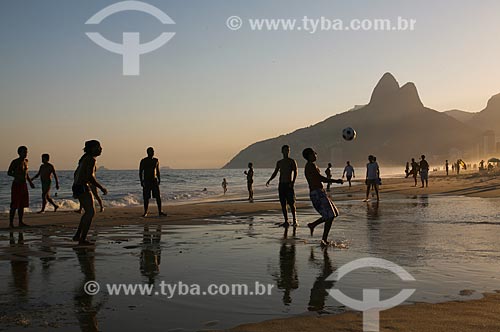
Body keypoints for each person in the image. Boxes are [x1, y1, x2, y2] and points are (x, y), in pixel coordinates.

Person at [302, 148, 343, 247]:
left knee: (334, 213)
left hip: (320, 192)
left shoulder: (312, 165)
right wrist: (336, 181)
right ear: (309, 155)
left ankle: (313, 225)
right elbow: (320, 178)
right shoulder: (310, 166)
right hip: (317, 194)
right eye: (314, 153)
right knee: (330, 215)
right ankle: (324, 240)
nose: (316, 154)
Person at [72, 140, 108, 245]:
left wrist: (74, 186)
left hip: (77, 186)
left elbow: (76, 173)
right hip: (82, 186)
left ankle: (78, 235)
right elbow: (90, 177)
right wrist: (101, 188)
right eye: (98, 147)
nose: (101, 149)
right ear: (92, 148)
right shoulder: (91, 159)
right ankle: (82, 239)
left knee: (87, 212)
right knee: (91, 212)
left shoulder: (84, 158)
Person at [266, 145, 298, 228]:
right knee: (283, 203)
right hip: (281, 184)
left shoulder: (292, 161)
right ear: (282, 151)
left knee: (291, 203)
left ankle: (295, 220)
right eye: (285, 150)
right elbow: (275, 172)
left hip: (289, 184)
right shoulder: (279, 162)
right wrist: (270, 180)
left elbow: (295, 172)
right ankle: (286, 221)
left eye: (288, 150)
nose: (287, 151)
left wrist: (293, 182)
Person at [8, 146, 35, 228]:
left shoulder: (26, 161)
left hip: (24, 185)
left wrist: (30, 182)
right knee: (14, 204)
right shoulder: (15, 162)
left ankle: (20, 222)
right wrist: (17, 175)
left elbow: (26, 174)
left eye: (26, 152)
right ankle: (11, 223)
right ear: (19, 153)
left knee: (22, 204)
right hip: (17, 184)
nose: (26, 154)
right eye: (24, 152)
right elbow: (9, 172)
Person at [139, 147, 167, 217]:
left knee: (158, 197)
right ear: (148, 152)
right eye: (151, 151)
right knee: (146, 197)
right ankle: (145, 212)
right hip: (147, 180)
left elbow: (157, 171)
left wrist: (159, 179)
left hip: (154, 180)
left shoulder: (156, 160)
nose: (153, 153)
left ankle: (160, 211)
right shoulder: (144, 161)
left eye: (153, 151)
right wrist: (141, 181)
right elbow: (140, 172)